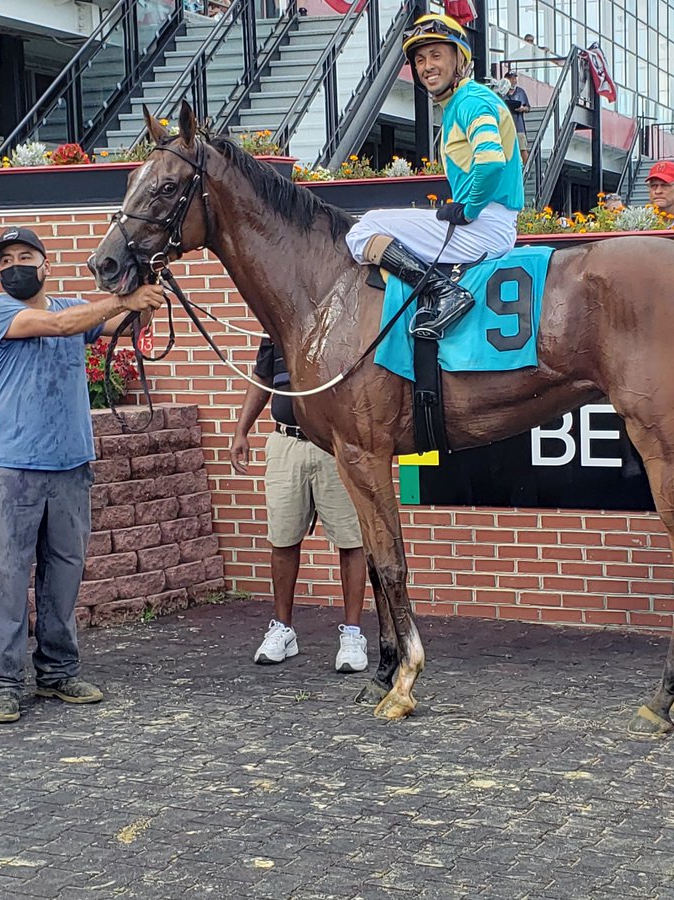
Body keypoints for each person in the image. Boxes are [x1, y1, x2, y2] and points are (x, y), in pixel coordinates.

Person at [0, 226, 166, 724]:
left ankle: (58, 671)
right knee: (7, 576)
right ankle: (2, 683)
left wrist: (145, 292)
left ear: (45, 263)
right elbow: (64, 326)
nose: (14, 265)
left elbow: (125, 324)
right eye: (5, 260)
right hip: (16, 467)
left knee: (63, 577)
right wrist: (120, 299)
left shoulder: (72, 304)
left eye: (25, 255)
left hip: (71, 466)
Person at [345, 13, 524, 340]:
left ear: (460, 60)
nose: (427, 66)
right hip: (491, 223)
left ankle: (444, 293)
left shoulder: (471, 101)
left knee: (364, 228)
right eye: (420, 59)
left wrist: (467, 210)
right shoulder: (460, 103)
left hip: (485, 226)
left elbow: (491, 161)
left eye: (436, 55)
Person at [230, 337, 369, 672]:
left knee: (351, 540)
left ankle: (353, 635)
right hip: (285, 441)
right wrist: (241, 430)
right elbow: (262, 377)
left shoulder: (342, 313)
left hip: (334, 444)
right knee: (283, 538)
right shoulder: (275, 322)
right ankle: (282, 629)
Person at [504, 71, 531, 166]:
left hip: (519, 125)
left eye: (515, 78)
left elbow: (528, 107)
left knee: (522, 148)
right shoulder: (502, 91)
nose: (514, 80)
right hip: (505, 126)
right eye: (512, 78)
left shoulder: (520, 92)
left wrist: (522, 108)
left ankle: (526, 169)